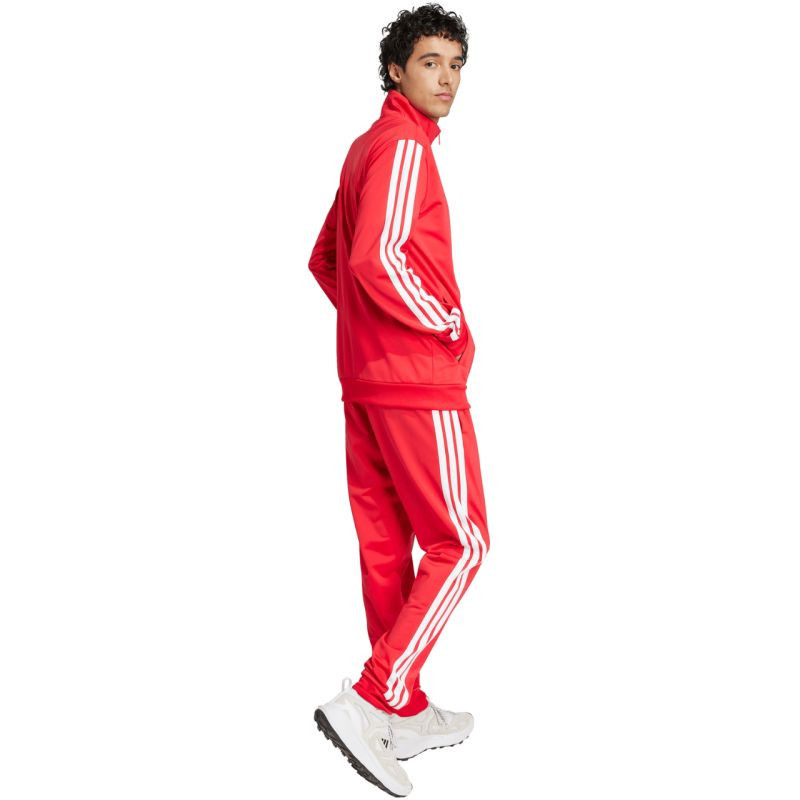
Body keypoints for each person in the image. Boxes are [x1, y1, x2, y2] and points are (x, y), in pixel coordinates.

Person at [307, 5, 490, 795]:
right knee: (462, 543)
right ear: (395, 70)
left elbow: (326, 261)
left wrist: (373, 337)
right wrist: (442, 323)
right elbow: (374, 260)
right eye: (430, 63)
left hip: (367, 381)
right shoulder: (406, 146)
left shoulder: (365, 148)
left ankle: (402, 707)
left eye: (456, 64)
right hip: (417, 382)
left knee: (389, 548)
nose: (446, 79)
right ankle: (372, 695)